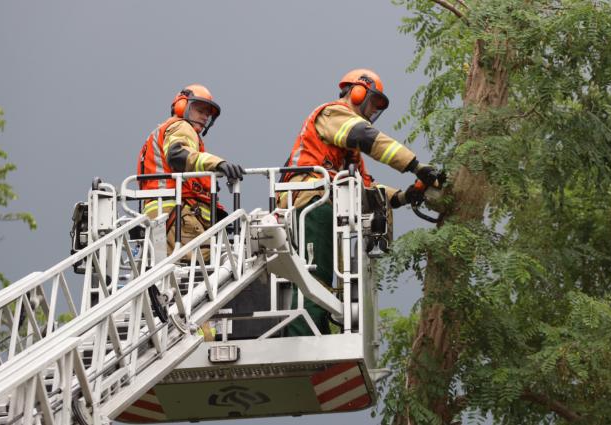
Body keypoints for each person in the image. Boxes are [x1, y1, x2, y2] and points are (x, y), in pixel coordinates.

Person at [280, 69, 440, 336]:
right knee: (313, 275)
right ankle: (303, 335)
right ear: (357, 91)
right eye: (372, 103)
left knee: (322, 277)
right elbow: (370, 139)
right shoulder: (332, 114)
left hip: (325, 206)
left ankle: (315, 330)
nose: (372, 111)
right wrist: (416, 166)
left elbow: (365, 188)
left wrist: (403, 196)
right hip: (309, 201)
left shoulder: (349, 152)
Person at [137, 84, 245, 261]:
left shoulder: (167, 131)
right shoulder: (181, 126)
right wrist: (219, 164)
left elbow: (192, 183)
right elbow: (177, 155)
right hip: (179, 220)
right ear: (182, 106)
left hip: (167, 220)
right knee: (232, 259)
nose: (204, 117)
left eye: (207, 114)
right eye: (200, 110)